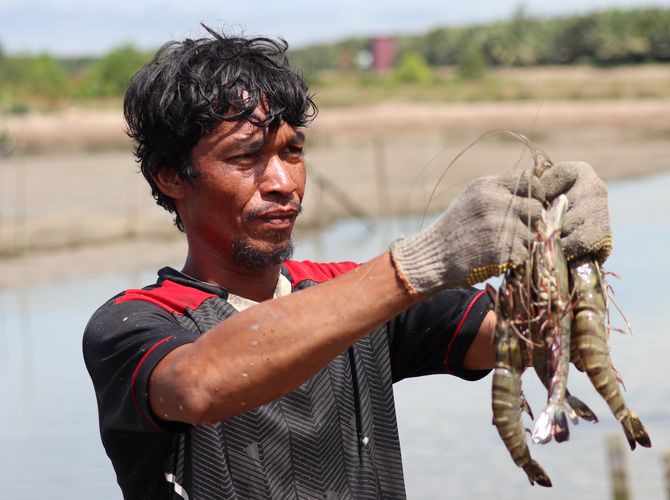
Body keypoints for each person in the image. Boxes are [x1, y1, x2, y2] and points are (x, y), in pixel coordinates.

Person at [82, 26, 612, 500]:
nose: (283, 183)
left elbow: (544, 338)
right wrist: (416, 265)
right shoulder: (136, 323)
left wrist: (568, 257)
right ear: (170, 176)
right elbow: (198, 385)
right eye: (245, 158)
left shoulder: (348, 292)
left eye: (292, 152)